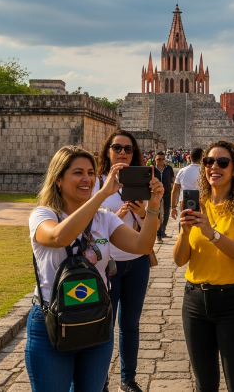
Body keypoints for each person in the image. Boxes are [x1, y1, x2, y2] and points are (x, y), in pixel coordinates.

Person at [27, 145, 162, 392]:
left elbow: (142, 246)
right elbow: (59, 237)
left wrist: (153, 207)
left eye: (90, 172)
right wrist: (101, 194)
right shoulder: (44, 215)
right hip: (53, 322)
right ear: (58, 179)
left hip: (96, 320)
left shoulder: (104, 218)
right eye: (77, 172)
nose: (87, 179)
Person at [173, 140, 234, 392]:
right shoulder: (198, 204)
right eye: (209, 162)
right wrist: (184, 232)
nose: (214, 167)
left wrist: (211, 234)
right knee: (204, 384)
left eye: (222, 162)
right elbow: (180, 260)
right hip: (195, 301)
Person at [93, 130, 157, 392]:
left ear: (134, 153)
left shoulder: (144, 182)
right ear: (107, 151)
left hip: (137, 262)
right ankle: (101, 380)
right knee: (104, 325)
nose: (122, 153)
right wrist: (114, 216)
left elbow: (153, 228)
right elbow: (88, 223)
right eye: (117, 147)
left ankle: (128, 379)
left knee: (130, 325)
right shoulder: (97, 183)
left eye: (128, 149)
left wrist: (144, 212)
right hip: (107, 264)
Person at [171, 147, 203, 224]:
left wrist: (173, 207)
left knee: (184, 227)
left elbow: (175, 191)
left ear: (190, 158)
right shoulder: (205, 171)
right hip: (202, 204)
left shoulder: (182, 171)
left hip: (185, 204)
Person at [153, 151, 175, 242]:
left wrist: (174, 190)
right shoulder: (152, 169)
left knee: (166, 214)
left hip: (167, 195)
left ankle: (163, 231)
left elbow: (173, 180)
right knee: (157, 215)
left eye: (162, 159)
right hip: (155, 195)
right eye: (159, 159)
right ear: (155, 159)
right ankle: (158, 234)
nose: (161, 161)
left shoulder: (169, 168)